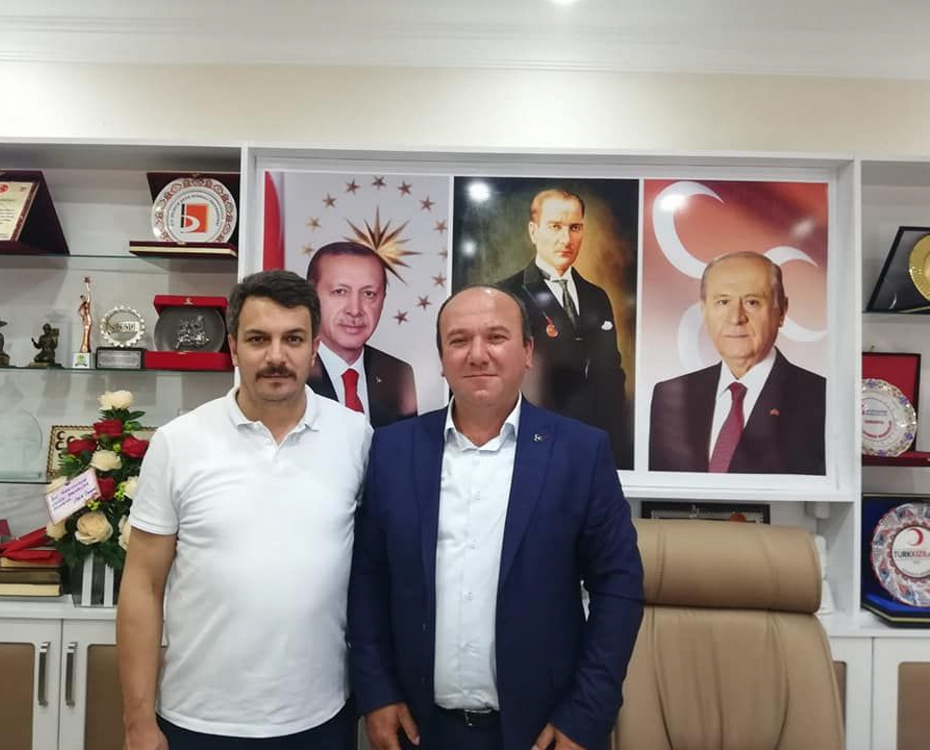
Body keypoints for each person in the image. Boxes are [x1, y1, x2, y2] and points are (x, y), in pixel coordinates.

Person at [348, 285, 644, 750]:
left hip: (543, 729)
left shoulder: (580, 452)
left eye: (496, 337)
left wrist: (586, 715)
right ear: (442, 358)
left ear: (527, 352)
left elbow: (619, 586)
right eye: (459, 340)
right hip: (419, 727)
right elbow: (367, 577)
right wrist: (376, 691)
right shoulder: (393, 449)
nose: (477, 354)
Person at [118, 270, 372, 750]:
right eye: (258, 339)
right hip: (199, 719)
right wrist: (137, 721)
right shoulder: (178, 442)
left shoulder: (355, 436)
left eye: (293, 339)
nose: (276, 356)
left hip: (320, 717)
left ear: (315, 347)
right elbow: (142, 587)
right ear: (233, 347)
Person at [649, 251, 826, 474]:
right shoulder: (670, 396)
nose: (736, 318)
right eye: (723, 302)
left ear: (781, 310)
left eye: (752, 302)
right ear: (704, 310)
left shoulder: (822, 398)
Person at [496, 189, 629, 467]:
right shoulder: (506, 294)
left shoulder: (596, 296)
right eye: (555, 226)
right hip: (533, 444)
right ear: (534, 231)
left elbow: (611, 373)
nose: (566, 239)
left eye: (575, 228)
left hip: (594, 444)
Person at [306, 241, 417, 427]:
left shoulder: (396, 373)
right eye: (340, 292)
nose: (355, 310)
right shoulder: (293, 371)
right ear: (311, 296)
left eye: (369, 294)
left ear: (383, 299)